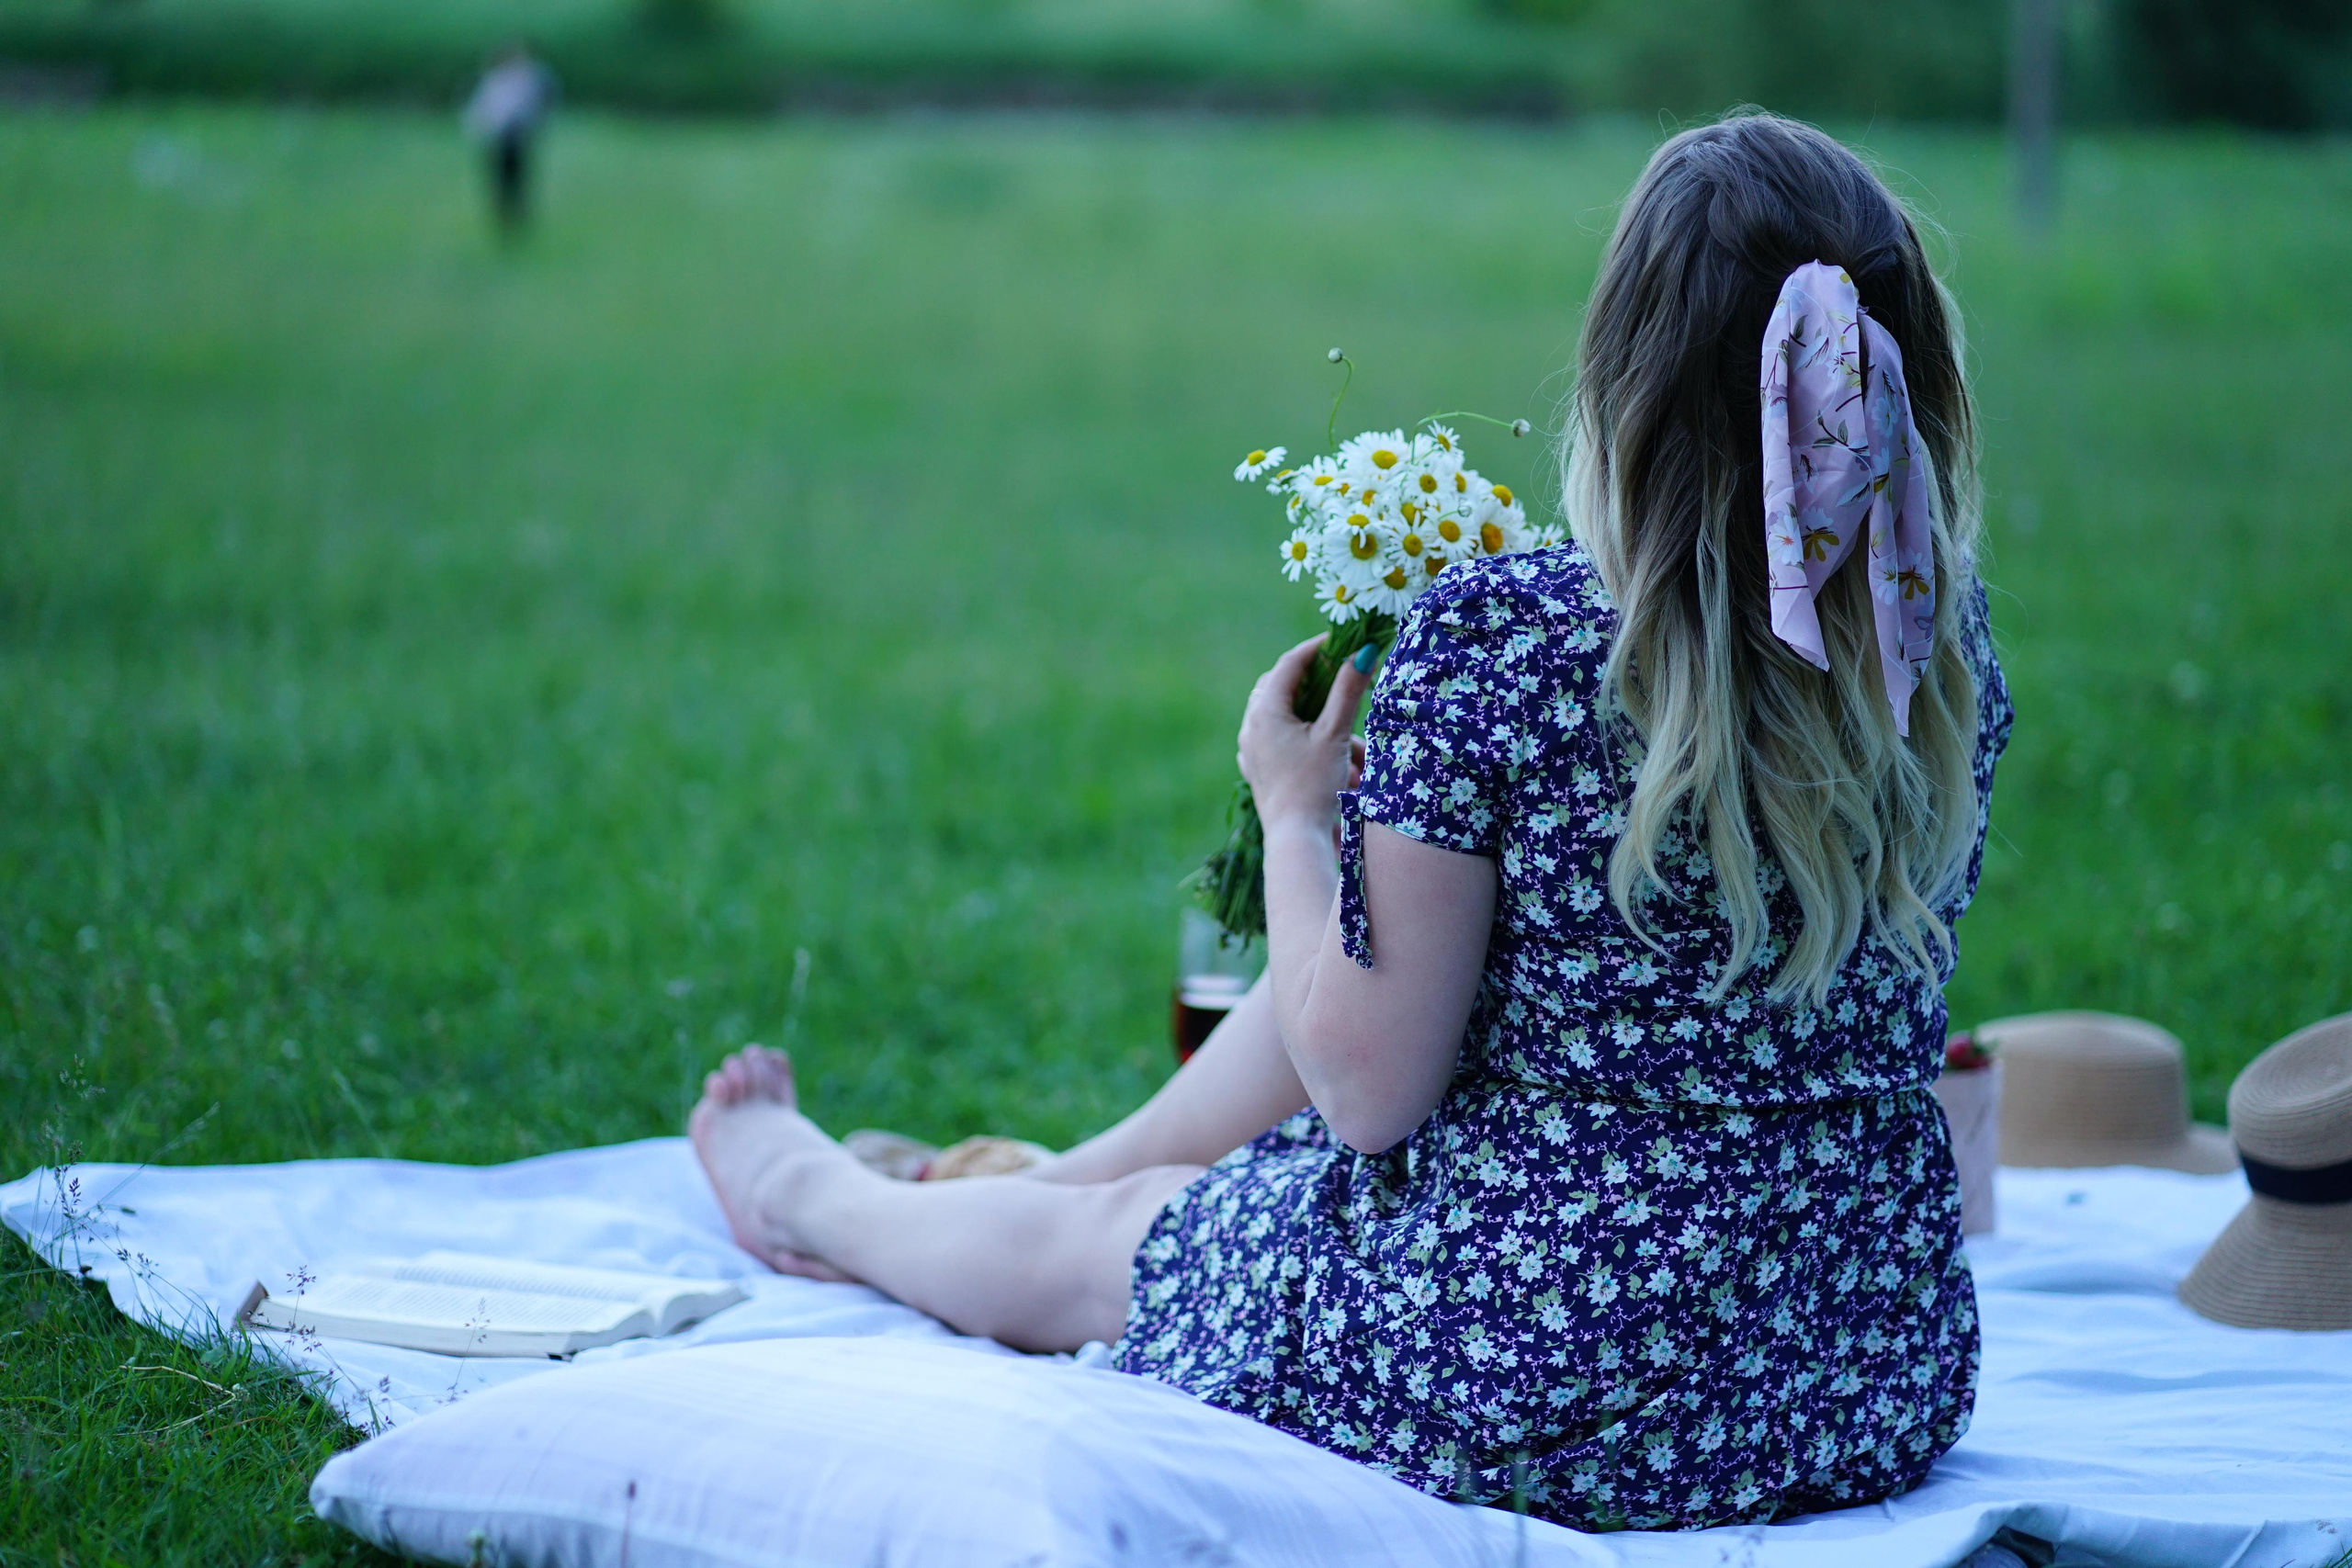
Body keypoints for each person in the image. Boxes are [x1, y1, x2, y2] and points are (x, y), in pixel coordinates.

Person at [689, 110, 2013, 1531]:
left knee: (1126, 1237)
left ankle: (815, 1200)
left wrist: (1297, 813)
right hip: (1862, 1366)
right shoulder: (1934, 658)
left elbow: (1369, 1092)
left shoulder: (1508, 637)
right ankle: (1016, 1179)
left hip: (1552, 1368)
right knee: (1282, 1162)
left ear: (1627, 376)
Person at [464, 46, 555, 238]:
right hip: (498, 140)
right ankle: (504, 216)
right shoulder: (496, 81)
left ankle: (518, 217)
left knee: (518, 180)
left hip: (516, 140)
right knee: (500, 182)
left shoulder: (524, 81)